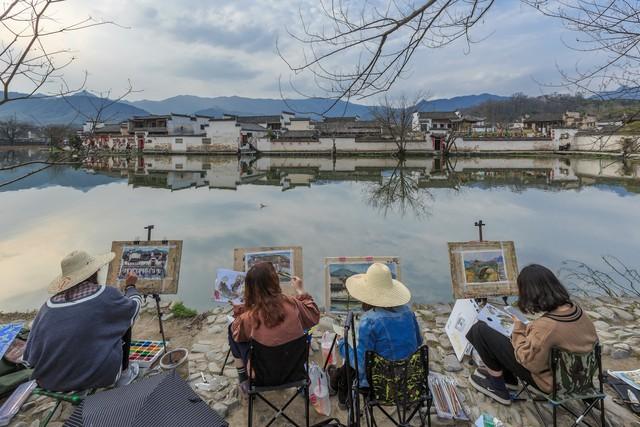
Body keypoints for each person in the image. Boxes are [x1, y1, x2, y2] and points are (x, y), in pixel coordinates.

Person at [466, 264, 598, 405]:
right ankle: (508, 378)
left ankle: (497, 388)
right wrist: (529, 331)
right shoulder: (576, 310)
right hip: (580, 378)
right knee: (507, 334)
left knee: (479, 330)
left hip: (554, 383)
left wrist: (518, 331)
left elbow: (528, 362)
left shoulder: (547, 326)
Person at [24, 250, 143, 392]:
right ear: (96, 271)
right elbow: (134, 308)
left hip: (51, 382)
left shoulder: (47, 307)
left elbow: (29, 358)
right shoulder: (105, 294)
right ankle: (124, 374)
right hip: (99, 377)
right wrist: (130, 287)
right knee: (123, 317)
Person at [330, 263, 423, 407]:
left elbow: (361, 365)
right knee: (358, 354)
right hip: (409, 379)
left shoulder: (370, 320)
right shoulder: (408, 312)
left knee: (349, 355)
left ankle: (338, 387)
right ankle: (337, 381)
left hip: (380, 386)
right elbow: (418, 342)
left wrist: (342, 344)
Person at [228, 262, 320, 391]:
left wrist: (239, 310)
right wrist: (300, 290)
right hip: (294, 371)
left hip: (261, 377)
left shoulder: (248, 317)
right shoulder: (293, 304)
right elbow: (314, 316)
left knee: (232, 330)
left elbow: (237, 335)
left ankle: (243, 378)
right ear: (275, 282)